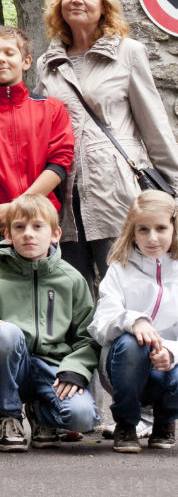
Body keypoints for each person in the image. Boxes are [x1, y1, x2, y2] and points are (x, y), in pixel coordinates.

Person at [37, 0, 178, 290]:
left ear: (104, 4)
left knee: (131, 291)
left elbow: (155, 128)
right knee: (79, 300)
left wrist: (174, 189)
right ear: (59, 2)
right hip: (66, 199)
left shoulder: (128, 53)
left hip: (118, 192)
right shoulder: (49, 63)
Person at [0, 195, 98, 452]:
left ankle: (42, 413)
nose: (28, 234)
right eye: (20, 228)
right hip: (13, 368)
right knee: (6, 332)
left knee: (82, 417)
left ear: (55, 234)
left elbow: (87, 336)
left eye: (37, 227)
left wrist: (75, 369)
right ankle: (8, 417)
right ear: (8, 236)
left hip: (55, 370)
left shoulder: (72, 279)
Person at [0, 26, 74, 275]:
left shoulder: (51, 109)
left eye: (9, 52)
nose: (1, 58)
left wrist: (18, 207)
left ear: (26, 61)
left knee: (44, 291)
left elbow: (60, 163)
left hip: (42, 218)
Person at [89, 189, 178, 452]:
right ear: (132, 232)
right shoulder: (120, 268)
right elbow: (101, 322)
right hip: (124, 366)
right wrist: (134, 321)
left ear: (174, 226)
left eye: (161, 228)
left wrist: (170, 354)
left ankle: (164, 423)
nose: (152, 238)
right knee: (131, 343)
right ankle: (126, 424)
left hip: (167, 367)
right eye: (143, 230)